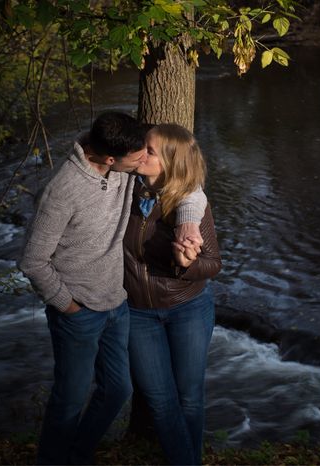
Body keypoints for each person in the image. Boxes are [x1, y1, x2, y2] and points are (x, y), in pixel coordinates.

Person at [18, 112, 206, 465]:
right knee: (69, 400)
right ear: (109, 159)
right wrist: (68, 305)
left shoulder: (122, 167)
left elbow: (186, 184)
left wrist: (189, 224)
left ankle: (78, 455)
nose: (142, 161)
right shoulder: (61, 191)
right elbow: (32, 261)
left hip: (117, 306)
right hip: (78, 313)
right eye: (137, 157)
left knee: (118, 389)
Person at [123, 124, 222, 465]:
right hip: (136, 313)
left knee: (189, 398)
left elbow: (212, 264)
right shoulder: (125, 190)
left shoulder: (188, 204)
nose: (141, 153)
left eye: (150, 151)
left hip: (188, 309)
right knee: (159, 400)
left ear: (170, 163)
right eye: (143, 146)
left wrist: (184, 264)